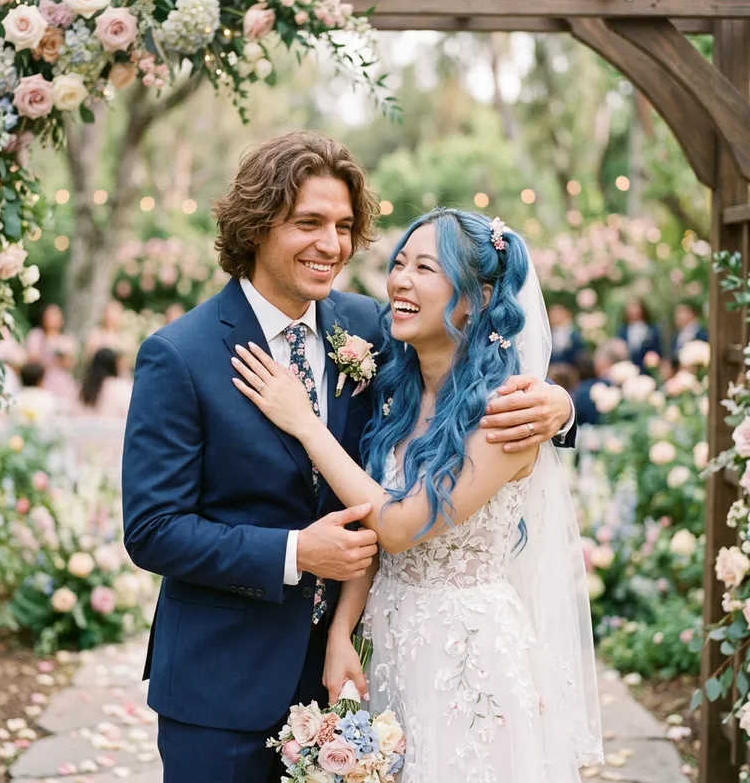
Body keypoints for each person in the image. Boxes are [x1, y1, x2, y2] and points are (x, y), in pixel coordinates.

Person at [121, 132, 576, 783]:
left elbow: (468, 377)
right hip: (222, 683)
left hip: (355, 677)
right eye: (308, 223)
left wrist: (558, 405)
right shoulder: (180, 356)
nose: (331, 245)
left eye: (342, 226)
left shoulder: (369, 328)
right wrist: (295, 553)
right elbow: (153, 531)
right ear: (256, 227)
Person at [233, 207, 602, 782]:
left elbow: (401, 524)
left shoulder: (504, 414)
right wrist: (342, 631)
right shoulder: (396, 389)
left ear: (478, 299)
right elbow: (369, 522)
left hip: (468, 660)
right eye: (399, 263)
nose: (400, 280)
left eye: (426, 268)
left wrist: (306, 424)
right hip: (390, 642)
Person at [25, 304, 79, 404]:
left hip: (62, 381)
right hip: (41, 379)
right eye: (49, 316)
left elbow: (72, 364)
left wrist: (63, 357)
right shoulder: (36, 335)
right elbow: (30, 360)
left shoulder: (66, 339)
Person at [74, 348, 133, 420]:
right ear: (114, 365)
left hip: (81, 430)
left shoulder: (80, 388)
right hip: (114, 430)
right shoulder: (120, 387)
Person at [616, 298, 663, 371]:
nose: (634, 311)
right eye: (631, 307)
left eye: (636, 307)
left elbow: (658, 351)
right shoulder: (622, 331)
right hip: (628, 369)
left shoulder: (651, 329)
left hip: (648, 369)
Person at [671, 301, 708, 366]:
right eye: (677, 313)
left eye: (682, 312)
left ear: (692, 313)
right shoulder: (677, 335)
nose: (678, 316)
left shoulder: (702, 333)